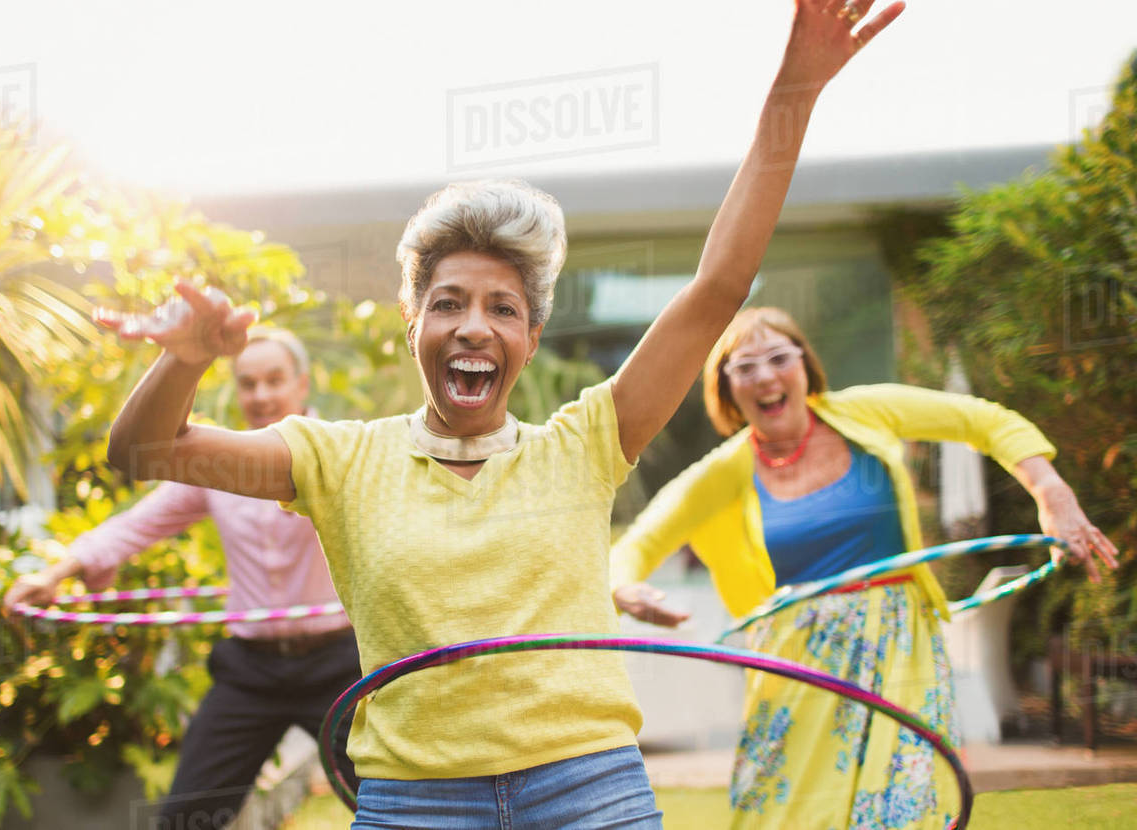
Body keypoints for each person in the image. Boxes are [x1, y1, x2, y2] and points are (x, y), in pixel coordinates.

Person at [93, 3, 906, 826]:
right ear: (412, 324)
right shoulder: (337, 459)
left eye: (502, 308)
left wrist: (794, 94)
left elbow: (718, 289)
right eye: (447, 303)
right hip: (414, 801)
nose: (474, 326)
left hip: (588, 786)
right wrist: (187, 357)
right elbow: (145, 451)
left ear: (531, 335)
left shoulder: (587, 442)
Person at [610, 306, 1119, 829]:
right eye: (745, 367)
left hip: (901, 646)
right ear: (726, 388)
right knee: (787, 815)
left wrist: (1050, 492)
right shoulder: (725, 470)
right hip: (798, 665)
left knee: (902, 808)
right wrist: (624, 587)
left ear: (805, 366)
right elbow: (641, 540)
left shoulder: (866, 412)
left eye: (778, 358)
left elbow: (985, 420)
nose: (765, 376)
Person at [4, 327, 361, 830]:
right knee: (186, 817)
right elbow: (135, 524)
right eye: (248, 383)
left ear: (302, 385)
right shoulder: (218, 465)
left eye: (274, 381)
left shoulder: (344, 454)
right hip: (249, 672)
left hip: (337, 666)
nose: (261, 396)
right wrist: (58, 572)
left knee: (393, 805)